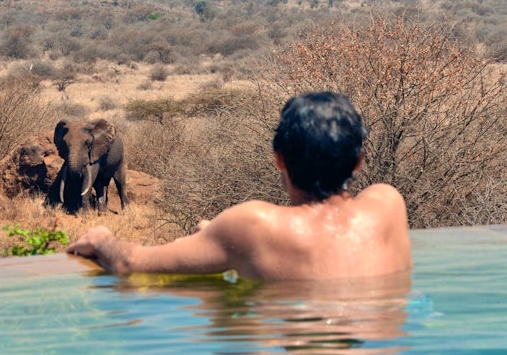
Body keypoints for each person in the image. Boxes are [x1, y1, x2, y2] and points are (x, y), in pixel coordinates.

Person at [66, 91, 412, 280]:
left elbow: (131, 264)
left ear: (279, 157)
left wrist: (102, 239)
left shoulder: (252, 225)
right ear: (359, 161)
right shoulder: (388, 205)